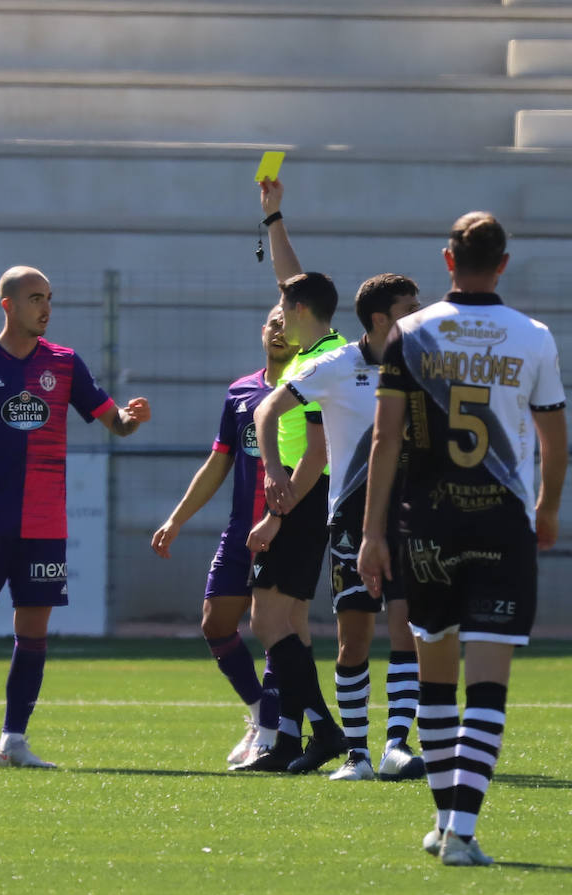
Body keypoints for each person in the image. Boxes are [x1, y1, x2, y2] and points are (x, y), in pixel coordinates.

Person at [358, 213, 568, 865]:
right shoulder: (532, 336)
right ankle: (464, 833)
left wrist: (372, 533)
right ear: (503, 263)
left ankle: (446, 822)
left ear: (448, 260)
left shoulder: (411, 333)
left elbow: (385, 439)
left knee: (436, 681)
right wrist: (547, 508)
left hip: (426, 524)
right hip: (502, 523)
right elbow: (552, 435)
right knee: (489, 683)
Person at [0, 265, 151, 769]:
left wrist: (131, 420)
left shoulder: (65, 364)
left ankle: (13, 741)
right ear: (7, 304)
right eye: (35, 298)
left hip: (46, 524)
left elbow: (112, 422)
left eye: (49, 297)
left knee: (32, 633)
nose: (46, 307)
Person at [252, 183, 426, 783]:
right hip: (351, 515)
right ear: (380, 319)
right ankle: (355, 753)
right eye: (410, 309)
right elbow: (266, 410)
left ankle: (396, 745)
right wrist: (275, 471)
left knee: (406, 627)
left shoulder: (425, 363)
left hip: (412, 513)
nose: (419, 318)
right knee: (353, 637)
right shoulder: (335, 365)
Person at [233, 184, 348, 775]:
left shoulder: (320, 364)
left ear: (301, 313)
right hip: (310, 499)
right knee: (292, 624)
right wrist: (273, 215)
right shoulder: (323, 346)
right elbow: (291, 280)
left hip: (305, 498)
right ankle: (286, 741)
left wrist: (277, 510)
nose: (278, 313)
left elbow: (319, 450)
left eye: (285, 308)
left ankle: (325, 731)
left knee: (267, 622)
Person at [150, 305, 294, 767]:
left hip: (287, 527)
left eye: (288, 323)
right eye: (273, 322)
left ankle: (272, 733)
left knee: (273, 630)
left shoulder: (309, 390)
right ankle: (260, 714)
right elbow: (218, 464)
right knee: (215, 623)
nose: (279, 330)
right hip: (240, 531)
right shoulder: (240, 393)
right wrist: (176, 519)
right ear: (262, 332)